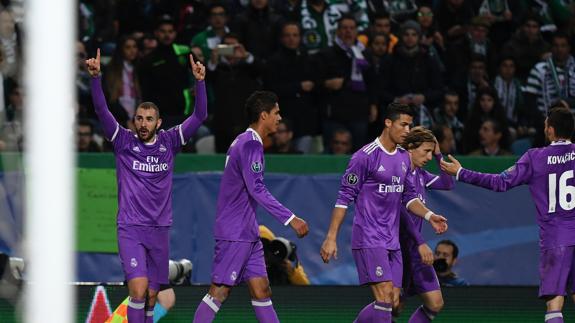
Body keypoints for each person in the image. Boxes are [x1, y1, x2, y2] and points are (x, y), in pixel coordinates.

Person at [86, 49, 207, 323]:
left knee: (153, 297)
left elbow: (199, 116)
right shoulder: (123, 141)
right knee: (138, 291)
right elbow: (101, 110)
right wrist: (95, 78)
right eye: (139, 118)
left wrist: (200, 82)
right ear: (134, 120)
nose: (143, 123)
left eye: (149, 119)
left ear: (158, 122)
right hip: (130, 228)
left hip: (160, 230)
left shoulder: (170, 142)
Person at [440, 106, 575, 322]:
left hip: (555, 239)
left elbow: (499, 182)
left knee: (555, 302)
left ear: (550, 129)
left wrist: (460, 172)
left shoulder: (535, 157)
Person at [320, 103, 448, 323]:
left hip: (393, 243)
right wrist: (331, 238)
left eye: (410, 125)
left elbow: (409, 198)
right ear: (388, 123)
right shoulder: (364, 157)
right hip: (369, 238)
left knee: (393, 301)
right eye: (404, 125)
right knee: (385, 296)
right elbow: (343, 199)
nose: (408, 131)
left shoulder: (402, 158)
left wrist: (429, 215)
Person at [192, 91, 309, 323]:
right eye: (276, 113)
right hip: (235, 233)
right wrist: (291, 218)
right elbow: (257, 189)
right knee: (219, 291)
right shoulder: (250, 144)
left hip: (248, 232)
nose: (279, 117)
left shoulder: (245, 141)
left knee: (261, 290)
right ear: (263, 115)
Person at [395, 127, 455, 322]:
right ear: (410, 148)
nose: (429, 156)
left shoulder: (420, 175)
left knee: (435, 302)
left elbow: (448, 184)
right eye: (426, 151)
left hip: (416, 250)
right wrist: (420, 241)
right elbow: (404, 211)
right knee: (392, 306)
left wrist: (439, 155)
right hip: (398, 250)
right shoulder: (398, 174)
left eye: (431, 151)